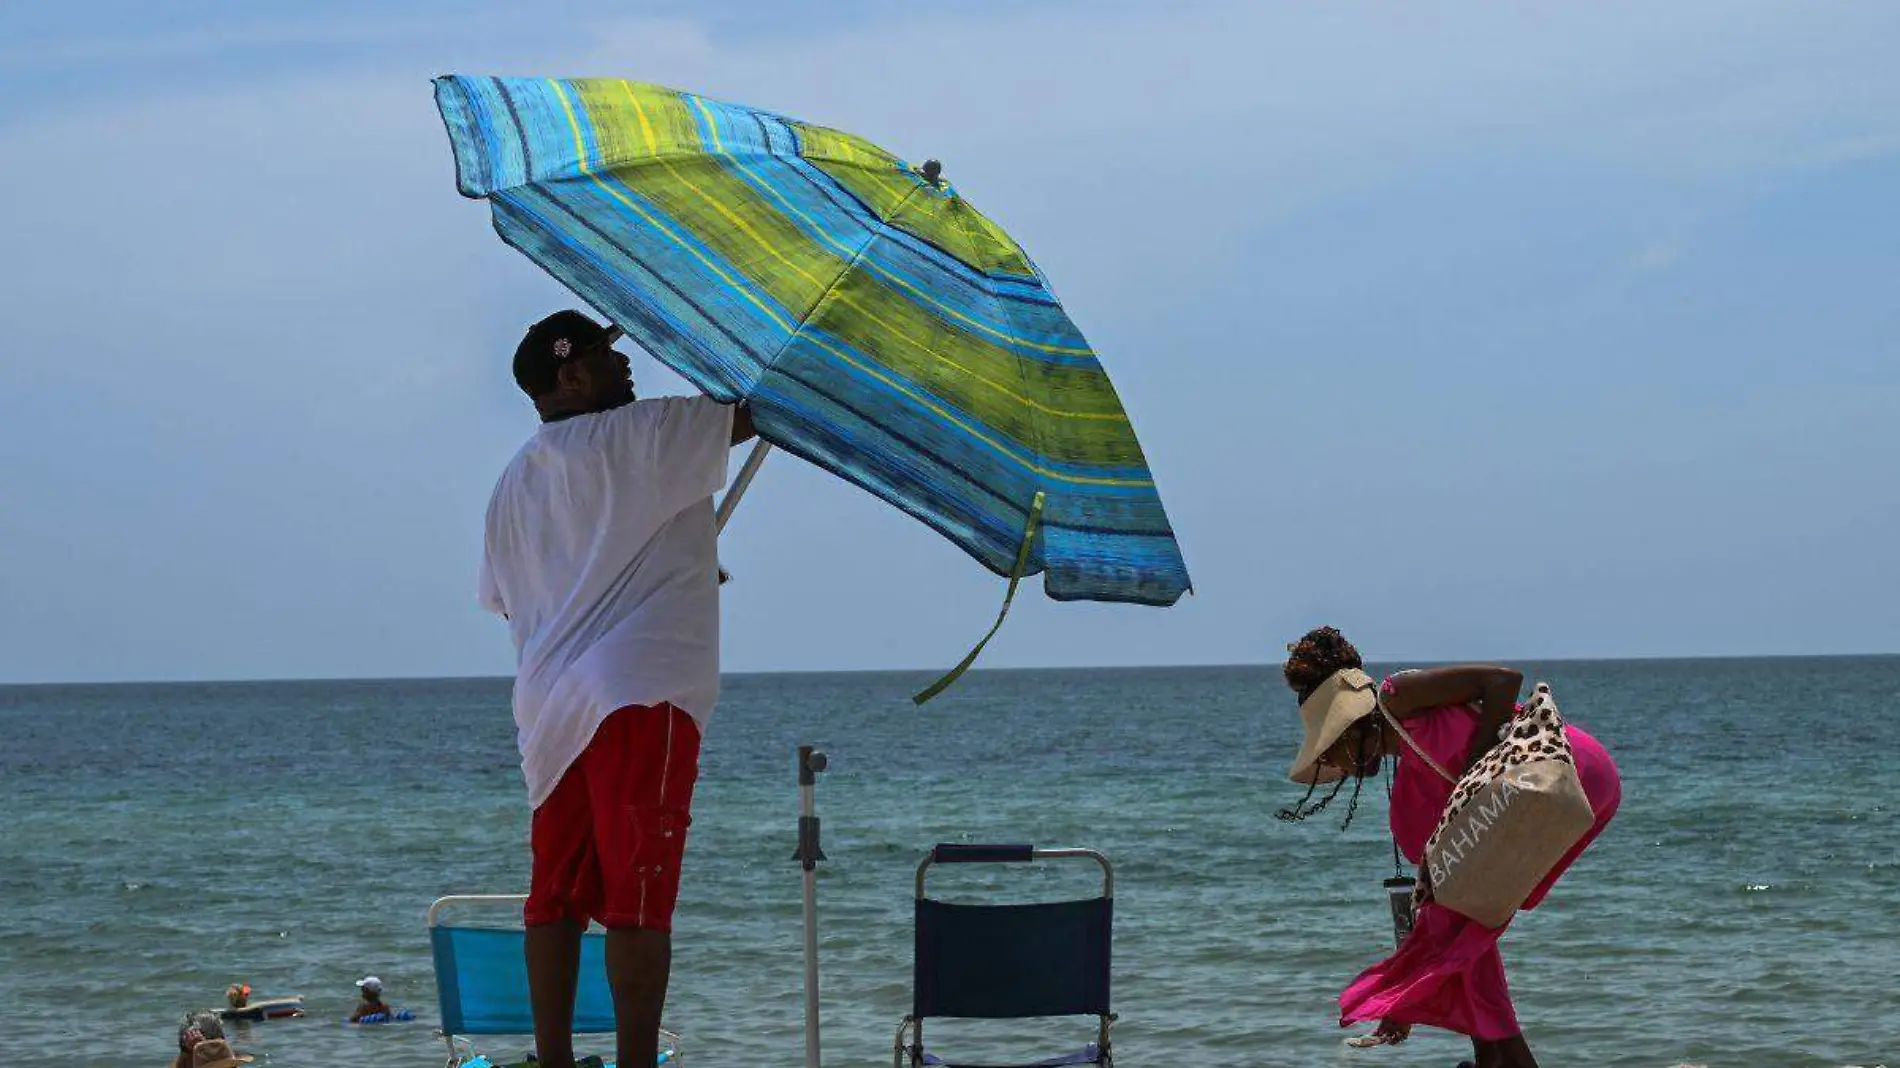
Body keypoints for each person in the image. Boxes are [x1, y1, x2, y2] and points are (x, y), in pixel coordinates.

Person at [478, 310, 756, 1068]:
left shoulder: (512, 480)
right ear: (570, 375)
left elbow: (505, 597)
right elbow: (757, 413)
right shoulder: (642, 435)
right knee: (640, 899)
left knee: (555, 897)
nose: (626, 367)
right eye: (608, 355)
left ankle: (555, 1060)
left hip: (547, 706)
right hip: (640, 690)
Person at [1277, 627, 1621, 1068]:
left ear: (1348, 728)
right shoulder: (1409, 798)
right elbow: (1439, 902)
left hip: (1568, 773)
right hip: (1557, 805)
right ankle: (1493, 1057)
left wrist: (1475, 774)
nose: (1334, 765)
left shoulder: (1396, 697)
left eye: (1329, 749)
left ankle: (1498, 1057)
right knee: (1460, 925)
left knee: (1462, 927)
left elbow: (1502, 680)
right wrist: (1406, 1000)